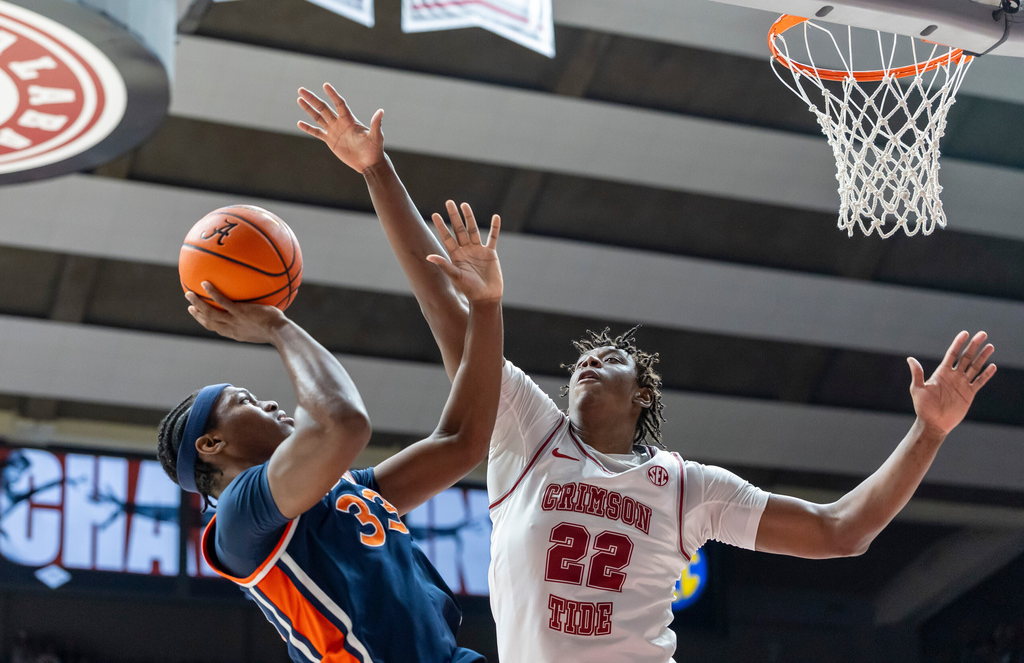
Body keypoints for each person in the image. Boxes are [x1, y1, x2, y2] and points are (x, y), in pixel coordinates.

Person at [297, 84, 998, 663]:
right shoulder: (528, 432)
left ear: (644, 395)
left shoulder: (687, 486)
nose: (590, 359)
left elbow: (841, 529)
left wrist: (929, 431)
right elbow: (447, 306)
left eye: (614, 356)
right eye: (582, 358)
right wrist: (375, 169)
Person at [156, 198, 503, 663]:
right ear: (211, 444)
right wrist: (275, 325)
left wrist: (485, 306)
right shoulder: (238, 517)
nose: (270, 402)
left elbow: (463, 441)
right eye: (245, 401)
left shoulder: (341, 489)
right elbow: (344, 423)